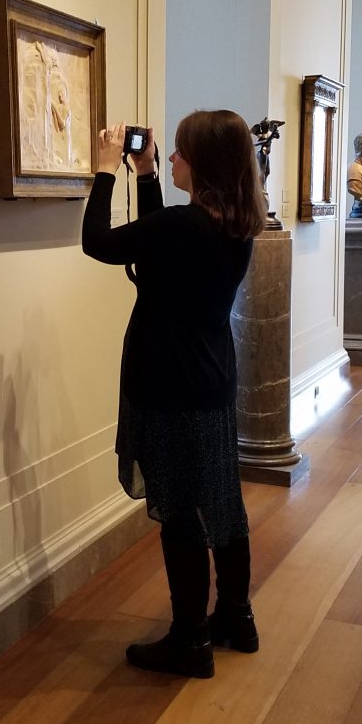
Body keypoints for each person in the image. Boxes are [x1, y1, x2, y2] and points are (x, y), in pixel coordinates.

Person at [82, 110, 266, 679]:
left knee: (183, 514)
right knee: (220, 501)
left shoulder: (183, 229)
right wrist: (147, 174)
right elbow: (164, 243)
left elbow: (98, 243)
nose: (173, 158)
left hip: (169, 384)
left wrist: (107, 172)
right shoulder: (234, 221)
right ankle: (235, 618)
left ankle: (190, 641)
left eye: (180, 152)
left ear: (204, 164)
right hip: (210, 380)